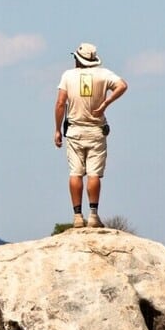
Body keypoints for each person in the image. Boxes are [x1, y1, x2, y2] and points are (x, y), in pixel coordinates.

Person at [54, 42, 128, 228]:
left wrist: (57, 130)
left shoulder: (68, 76)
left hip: (74, 131)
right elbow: (122, 85)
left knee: (75, 173)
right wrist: (105, 103)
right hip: (96, 130)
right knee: (94, 173)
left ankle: (78, 216)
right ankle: (93, 215)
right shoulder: (103, 74)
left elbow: (60, 103)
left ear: (77, 60)